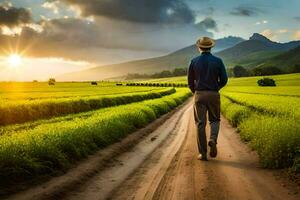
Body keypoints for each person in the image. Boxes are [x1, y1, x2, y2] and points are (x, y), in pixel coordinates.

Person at [188, 37, 228, 161]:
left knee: (200, 124)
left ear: (199, 47)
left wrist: (196, 92)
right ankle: (212, 139)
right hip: (213, 94)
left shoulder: (194, 61)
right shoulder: (218, 61)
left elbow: (190, 82)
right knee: (215, 120)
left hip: (199, 94)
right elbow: (225, 79)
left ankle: (203, 154)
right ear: (211, 47)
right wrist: (216, 88)